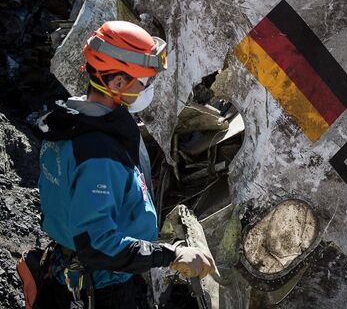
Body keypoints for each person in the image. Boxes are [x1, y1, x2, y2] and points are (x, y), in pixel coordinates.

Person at [35, 21, 216, 308]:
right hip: (103, 289)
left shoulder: (70, 121)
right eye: (145, 82)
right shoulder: (98, 153)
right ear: (117, 82)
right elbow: (98, 245)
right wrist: (172, 255)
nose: (150, 88)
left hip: (70, 271)